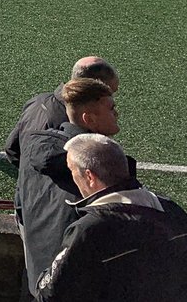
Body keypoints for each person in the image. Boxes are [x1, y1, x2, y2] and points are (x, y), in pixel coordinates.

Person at [36, 134, 187, 301]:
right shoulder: (172, 210)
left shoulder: (88, 230)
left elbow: (51, 291)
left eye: (71, 170)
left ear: (90, 177)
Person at [16, 77, 125, 300]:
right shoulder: (101, 169)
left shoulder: (35, 149)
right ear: (89, 119)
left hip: (37, 275)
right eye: (111, 108)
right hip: (71, 282)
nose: (117, 113)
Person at [4, 56, 119, 167]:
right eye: (109, 93)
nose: (111, 100)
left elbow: (11, 148)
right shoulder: (76, 123)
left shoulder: (37, 101)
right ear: (93, 87)